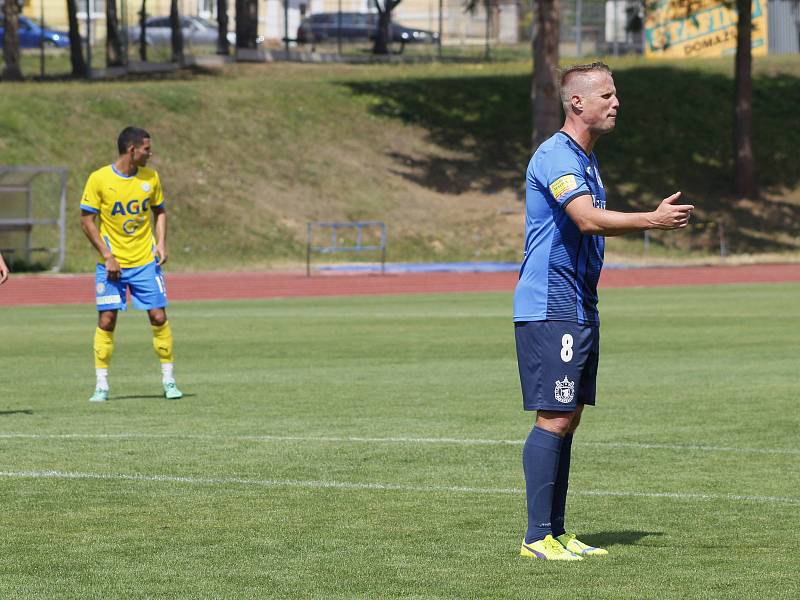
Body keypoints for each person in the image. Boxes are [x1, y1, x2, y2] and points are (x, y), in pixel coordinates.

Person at [514, 63, 693, 561]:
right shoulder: (555, 155)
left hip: (578, 304)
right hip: (551, 304)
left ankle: (556, 531)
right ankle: (535, 538)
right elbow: (587, 219)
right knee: (553, 416)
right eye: (607, 95)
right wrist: (651, 220)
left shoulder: (585, 160)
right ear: (577, 103)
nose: (616, 104)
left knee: (568, 418)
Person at [80, 126, 183, 402]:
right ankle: (101, 385)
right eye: (147, 149)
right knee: (107, 319)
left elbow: (159, 211)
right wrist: (107, 255)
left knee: (158, 316)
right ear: (132, 149)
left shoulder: (151, 178)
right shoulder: (99, 179)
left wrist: (160, 243)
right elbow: (86, 220)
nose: (151, 154)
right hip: (112, 265)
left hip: (144, 262)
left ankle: (169, 381)